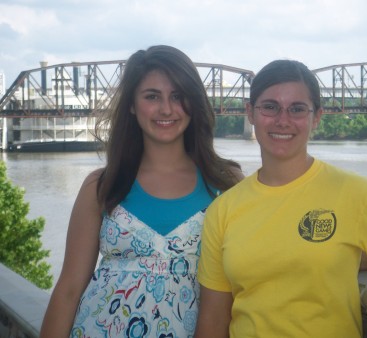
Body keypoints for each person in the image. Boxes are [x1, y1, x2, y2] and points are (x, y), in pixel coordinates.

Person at [194, 59, 367, 338]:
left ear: (316, 117)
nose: (283, 119)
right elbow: (213, 322)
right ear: (250, 113)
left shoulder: (355, 193)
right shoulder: (224, 209)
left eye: (297, 109)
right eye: (270, 106)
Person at [40, 45, 243, 338]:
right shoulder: (101, 186)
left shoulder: (226, 183)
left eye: (177, 96)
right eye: (152, 96)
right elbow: (69, 289)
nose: (166, 109)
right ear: (133, 105)